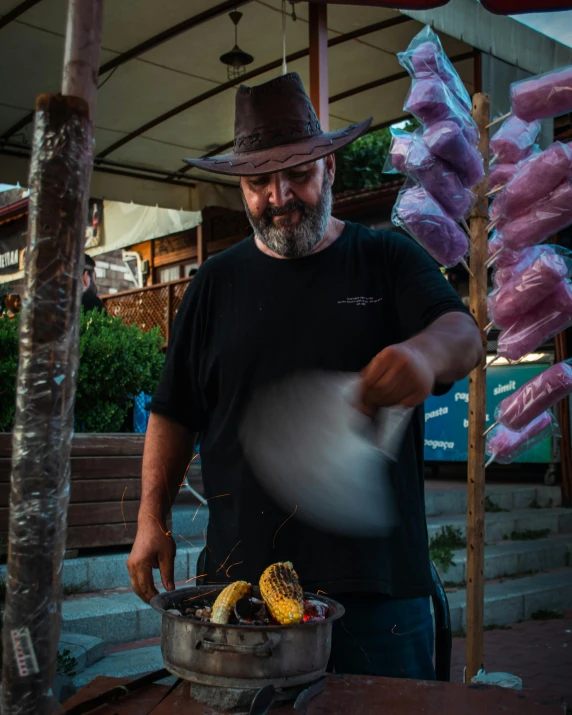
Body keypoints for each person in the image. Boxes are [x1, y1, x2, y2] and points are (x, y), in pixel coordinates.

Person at [127, 73, 482, 680]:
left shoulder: (387, 258)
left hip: (380, 597)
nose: (280, 195)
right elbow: (174, 410)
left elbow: (464, 336)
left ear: (331, 169)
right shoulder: (213, 284)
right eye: (259, 181)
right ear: (242, 187)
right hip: (240, 599)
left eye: (297, 174)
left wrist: (423, 354)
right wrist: (149, 518)